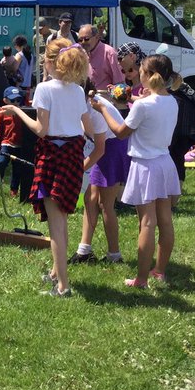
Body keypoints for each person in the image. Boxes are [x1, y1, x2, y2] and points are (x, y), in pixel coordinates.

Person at [0, 39, 92, 298]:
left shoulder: (44, 89)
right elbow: (87, 128)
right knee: (61, 217)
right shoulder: (77, 90)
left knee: (56, 225)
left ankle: (63, 285)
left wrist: (17, 111)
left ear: (52, 63)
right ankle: (55, 272)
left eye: (44, 60)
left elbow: (41, 130)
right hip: (73, 153)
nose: (42, 64)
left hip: (53, 154)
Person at [92, 53, 182, 288]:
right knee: (165, 219)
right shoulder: (172, 100)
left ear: (149, 75)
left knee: (147, 222)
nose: (137, 73)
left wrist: (102, 109)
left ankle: (141, 278)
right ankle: (159, 271)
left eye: (140, 69)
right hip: (165, 161)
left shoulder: (143, 105)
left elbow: (120, 132)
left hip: (145, 165)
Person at [73, 80, 129, 265]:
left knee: (105, 204)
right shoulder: (81, 103)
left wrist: (77, 170)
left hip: (112, 149)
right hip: (104, 147)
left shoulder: (95, 108)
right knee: (90, 199)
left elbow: (100, 150)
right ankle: (84, 251)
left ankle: (115, 255)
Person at [0, 85, 34, 197]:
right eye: (13, 100)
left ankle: (14, 189)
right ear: (5, 100)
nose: (16, 103)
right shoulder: (2, 114)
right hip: (6, 143)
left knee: (17, 168)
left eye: (18, 100)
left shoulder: (23, 112)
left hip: (19, 145)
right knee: (2, 162)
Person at [77, 23, 124, 90]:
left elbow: (120, 83)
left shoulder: (109, 53)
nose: (83, 42)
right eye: (80, 40)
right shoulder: (81, 54)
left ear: (96, 37)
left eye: (86, 39)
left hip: (104, 98)